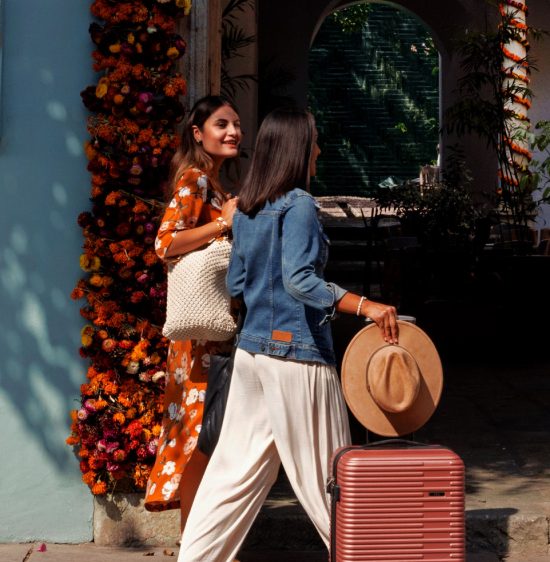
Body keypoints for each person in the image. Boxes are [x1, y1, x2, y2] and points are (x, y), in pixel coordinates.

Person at [176, 106, 398, 562]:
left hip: (253, 354)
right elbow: (300, 280)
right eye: (314, 139)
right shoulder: (298, 204)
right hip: (297, 355)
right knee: (330, 477)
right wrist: (366, 306)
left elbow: (237, 285)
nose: (318, 148)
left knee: (231, 476)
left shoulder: (247, 208)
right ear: (298, 147)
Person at [145, 95, 241, 536]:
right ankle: (193, 543)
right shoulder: (195, 181)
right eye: (222, 124)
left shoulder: (214, 186)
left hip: (208, 331)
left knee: (205, 435)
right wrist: (223, 223)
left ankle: (197, 541)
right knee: (198, 436)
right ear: (197, 133)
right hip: (196, 337)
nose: (233, 131)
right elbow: (165, 244)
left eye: (237, 124)